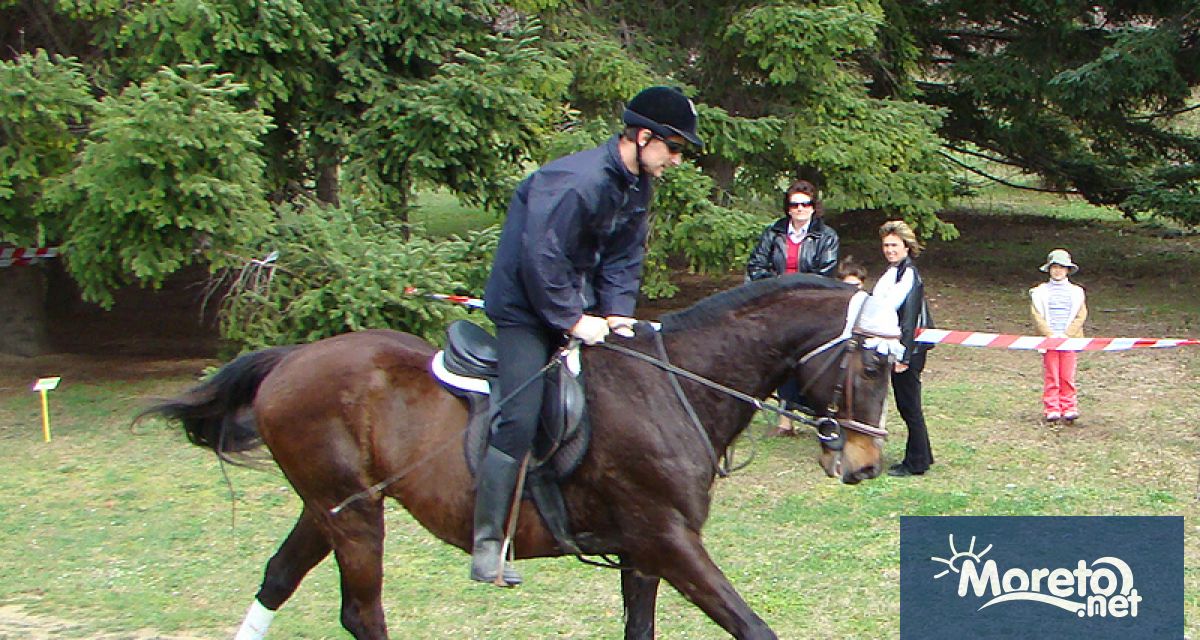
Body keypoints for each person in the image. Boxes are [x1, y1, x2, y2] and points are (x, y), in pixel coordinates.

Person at [475, 86, 702, 586]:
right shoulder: (575, 183)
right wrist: (573, 321)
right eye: (675, 147)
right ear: (644, 137)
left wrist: (617, 315)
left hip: (573, 302)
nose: (677, 159)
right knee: (520, 413)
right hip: (524, 309)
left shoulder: (637, 185)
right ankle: (490, 541)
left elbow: (625, 257)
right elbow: (542, 260)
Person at [745, 180, 840, 436]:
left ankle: (823, 416)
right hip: (777, 305)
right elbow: (756, 266)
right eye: (794, 204)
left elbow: (824, 273)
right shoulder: (773, 233)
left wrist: (796, 289)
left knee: (812, 363)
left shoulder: (827, 236)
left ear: (813, 207)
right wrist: (778, 287)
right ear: (788, 208)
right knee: (780, 361)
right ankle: (785, 421)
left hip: (810, 307)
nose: (800, 209)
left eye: (805, 204)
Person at [872, 220, 935, 478]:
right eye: (886, 245)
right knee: (908, 406)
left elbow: (909, 320)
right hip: (902, 347)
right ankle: (923, 455)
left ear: (907, 247)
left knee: (909, 406)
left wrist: (904, 356)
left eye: (894, 245)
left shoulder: (909, 275)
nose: (889, 250)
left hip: (909, 349)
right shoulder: (894, 273)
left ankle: (916, 462)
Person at [1030, 248, 1087, 424]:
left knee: (1067, 375)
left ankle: (1069, 407)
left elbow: (1081, 315)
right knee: (1052, 374)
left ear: (1068, 270)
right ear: (1049, 269)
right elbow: (1036, 315)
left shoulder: (1077, 292)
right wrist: (1050, 335)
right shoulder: (1039, 292)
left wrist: (1067, 335)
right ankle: (1052, 407)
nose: (1058, 271)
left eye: (1062, 267)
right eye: (1055, 267)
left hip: (1069, 340)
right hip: (1050, 341)